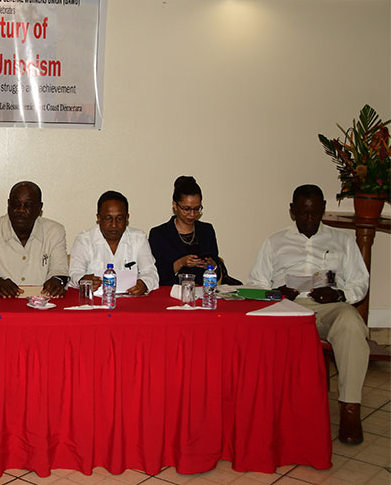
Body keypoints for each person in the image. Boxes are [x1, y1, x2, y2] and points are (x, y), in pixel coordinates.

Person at [248, 184, 369, 445]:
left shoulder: (343, 241)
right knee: (258, 330)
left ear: (323, 209)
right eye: (303, 214)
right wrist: (275, 292)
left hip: (328, 306)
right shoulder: (275, 242)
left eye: (315, 214)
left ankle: (350, 408)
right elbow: (255, 283)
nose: (310, 220)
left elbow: (360, 281)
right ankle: (270, 409)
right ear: (293, 212)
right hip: (287, 307)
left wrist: (338, 295)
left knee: (351, 323)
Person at [0, 181, 68, 298]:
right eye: (16, 204)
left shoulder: (54, 231)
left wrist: (57, 280)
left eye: (28, 205)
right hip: (1, 303)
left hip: (41, 304)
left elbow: (59, 270)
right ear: (8, 204)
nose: (21, 210)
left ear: (40, 208)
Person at [149, 176, 234, 286]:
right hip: (171, 293)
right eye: (187, 209)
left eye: (197, 209)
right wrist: (180, 263)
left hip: (203, 292)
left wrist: (213, 265)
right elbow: (155, 275)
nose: (192, 214)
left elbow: (216, 269)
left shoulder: (206, 230)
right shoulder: (159, 234)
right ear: (175, 205)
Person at [69, 191, 158, 295]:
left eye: (119, 218)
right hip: (96, 303)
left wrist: (144, 284)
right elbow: (74, 274)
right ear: (98, 218)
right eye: (108, 218)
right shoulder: (84, 240)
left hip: (130, 302)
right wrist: (83, 280)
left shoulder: (138, 238)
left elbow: (151, 272)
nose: (114, 225)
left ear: (127, 218)